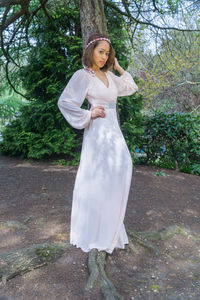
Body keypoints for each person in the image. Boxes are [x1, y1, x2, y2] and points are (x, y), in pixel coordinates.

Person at [57, 33, 138, 254]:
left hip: (114, 131)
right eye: (100, 51)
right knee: (100, 177)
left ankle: (110, 226)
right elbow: (64, 101)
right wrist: (88, 114)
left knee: (123, 167)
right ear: (90, 50)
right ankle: (94, 231)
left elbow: (131, 87)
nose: (104, 57)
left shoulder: (110, 77)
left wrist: (119, 67)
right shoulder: (84, 75)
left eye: (107, 53)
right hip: (98, 132)